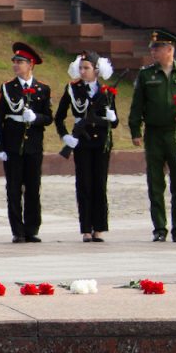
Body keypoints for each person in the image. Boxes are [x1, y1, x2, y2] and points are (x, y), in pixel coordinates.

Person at [128, 29, 176, 242]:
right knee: (155, 182)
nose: (153, 52)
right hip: (154, 134)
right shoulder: (146, 74)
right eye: (152, 48)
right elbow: (137, 105)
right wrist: (136, 130)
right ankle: (159, 228)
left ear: (170, 50)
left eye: (157, 48)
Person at [55, 52, 119, 242]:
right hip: (81, 141)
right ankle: (85, 228)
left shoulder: (106, 91)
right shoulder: (72, 89)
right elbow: (59, 117)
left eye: (86, 68)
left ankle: (99, 227)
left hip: (101, 142)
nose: (82, 71)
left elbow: (114, 123)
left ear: (96, 70)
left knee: (99, 183)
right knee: (84, 183)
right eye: (81, 68)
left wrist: (111, 117)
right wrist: (65, 136)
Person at [0, 42, 52, 243]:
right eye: (15, 62)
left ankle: (32, 228)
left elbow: (48, 117)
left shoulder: (43, 89)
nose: (16, 65)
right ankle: (17, 230)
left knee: (33, 187)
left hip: (33, 145)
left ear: (31, 64)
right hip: (13, 145)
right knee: (14, 188)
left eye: (21, 62)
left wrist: (35, 118)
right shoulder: (8, 88)